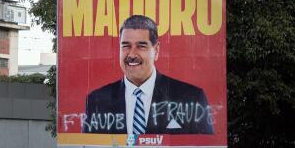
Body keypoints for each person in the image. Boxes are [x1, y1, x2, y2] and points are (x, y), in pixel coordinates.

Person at [81, 14, 214, 135]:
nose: (132, 55)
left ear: (156, 50)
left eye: (141, 46)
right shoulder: (96, 100)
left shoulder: (191, 97)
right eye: (126, 46)